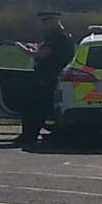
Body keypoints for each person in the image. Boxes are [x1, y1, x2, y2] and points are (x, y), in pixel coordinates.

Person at [17, 10, 76, 146]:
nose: (42, 25)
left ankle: (29, 136)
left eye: (45, 22)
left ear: (52, 22)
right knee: (39, 107)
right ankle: (32, 134)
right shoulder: (59, 36)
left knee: (34, 107)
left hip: (47, 78)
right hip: (52, 77)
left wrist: (22, 48)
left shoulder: (56, 37)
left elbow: (41, 55)